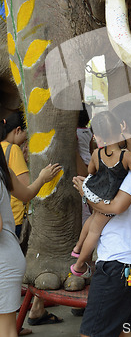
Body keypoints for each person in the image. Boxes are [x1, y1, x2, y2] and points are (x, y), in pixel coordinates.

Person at [72, 101, 131, 337]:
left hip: (119, 262)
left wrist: (85, 194)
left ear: (122, 125)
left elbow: (117, 207)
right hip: (130, 259)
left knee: (91, 332)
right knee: (124, 331)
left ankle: (79, 259)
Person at [0, 113, 64, 331]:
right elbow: (26, 192)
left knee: (7, 328)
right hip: (9, 246)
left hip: (4, 255)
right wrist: (42, 178)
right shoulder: (6, 163)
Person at [70, 110, 131, 278]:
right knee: (95, 231)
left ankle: (78, 248)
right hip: (107, 199)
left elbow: (90, 171)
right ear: (120, 131)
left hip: (93, 192)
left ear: (97, 136)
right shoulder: (126, 156)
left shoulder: (96, 154)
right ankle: (78, 266)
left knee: (91, 221)